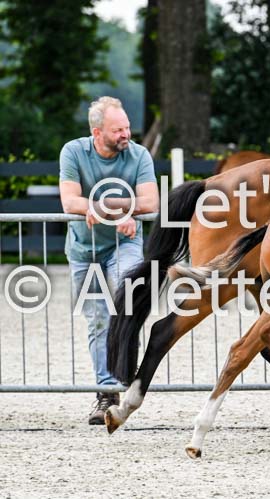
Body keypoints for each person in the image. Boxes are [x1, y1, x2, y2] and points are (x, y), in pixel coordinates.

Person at [59, 96, 158, 425]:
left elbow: (151, 201)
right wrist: (117, 210)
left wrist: (104, 208)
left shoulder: (138, 154)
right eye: (118, 130)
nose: (126, 134)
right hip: (83, 250)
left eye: (127, 127)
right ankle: (107, 394)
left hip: (125, 242)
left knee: (128, 296)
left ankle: (127, 371)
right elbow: (69, 202)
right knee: (98, 319)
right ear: (97, 132)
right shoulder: (74, 152)